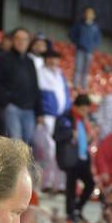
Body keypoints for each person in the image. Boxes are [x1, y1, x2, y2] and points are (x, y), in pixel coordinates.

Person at [0, 27, 42, 143]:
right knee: (15, 142)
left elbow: (35, 86)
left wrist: (39, 110)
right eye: (18, 39)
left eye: (25, 39)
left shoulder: (30, 62)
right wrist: (6, 101)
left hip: (29, 109)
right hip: (11, 107)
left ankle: (23, 162)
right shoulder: (1, 59)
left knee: (28, 142)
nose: (21, 42)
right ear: (12, 40)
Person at [54, 93, 94, 220]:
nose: (85, 112)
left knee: (90, 184)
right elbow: (57, 135)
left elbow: (83, 139)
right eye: (83, 109)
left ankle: (78, 208)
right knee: (71, 187)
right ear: (76, 107)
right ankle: (71, 213)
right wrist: (70, 133)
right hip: (71, 158)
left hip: (82, 157)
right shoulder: (65, 118)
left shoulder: (83, 121)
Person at [36, 48, 70, 192]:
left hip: (60, 117)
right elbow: (39, 94)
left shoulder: (60, 74)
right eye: (51, 58)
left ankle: (59, 184)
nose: (53, 61)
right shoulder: (40, 72)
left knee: (59, 150)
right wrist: (40, 112)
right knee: (49, 150)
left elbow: (65, 94)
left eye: (55, 58)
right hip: (47, 114)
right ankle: (46, 182)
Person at [68, 7, 101, 91]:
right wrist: (78, 42)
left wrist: (92, 46)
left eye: (91, 13)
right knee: (78, 68)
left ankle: (83, 86)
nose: (88, 15)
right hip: (80, 50)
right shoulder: (79, 25)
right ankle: (75, 85)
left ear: (93, 16)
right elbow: (71, 34)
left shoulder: (95, 27)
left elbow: (98, 39)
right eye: (87, 12)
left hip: (89, 51)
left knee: (86, 70)